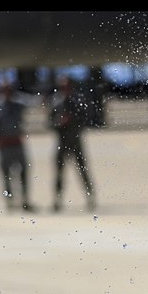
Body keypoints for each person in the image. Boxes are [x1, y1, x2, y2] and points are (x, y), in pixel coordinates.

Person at [0, 79, 34, 211]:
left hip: (17, 142)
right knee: (6, 174)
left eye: (10, 89)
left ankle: (25, 200)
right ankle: (9, 201)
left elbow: (32, 101)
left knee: (23, 172)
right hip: (4, 144)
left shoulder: (18, 103)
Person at [49, 74, 96, 212]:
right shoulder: (56, 101)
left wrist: (73, 120)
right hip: (61, 142)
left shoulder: (78, 100)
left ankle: (90, 198)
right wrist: (59, 122)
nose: (65, 88)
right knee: (59, 172)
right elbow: (49, 122)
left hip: (76, 140)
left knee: (83, 171)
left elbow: (87, 118)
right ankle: (57, 200)